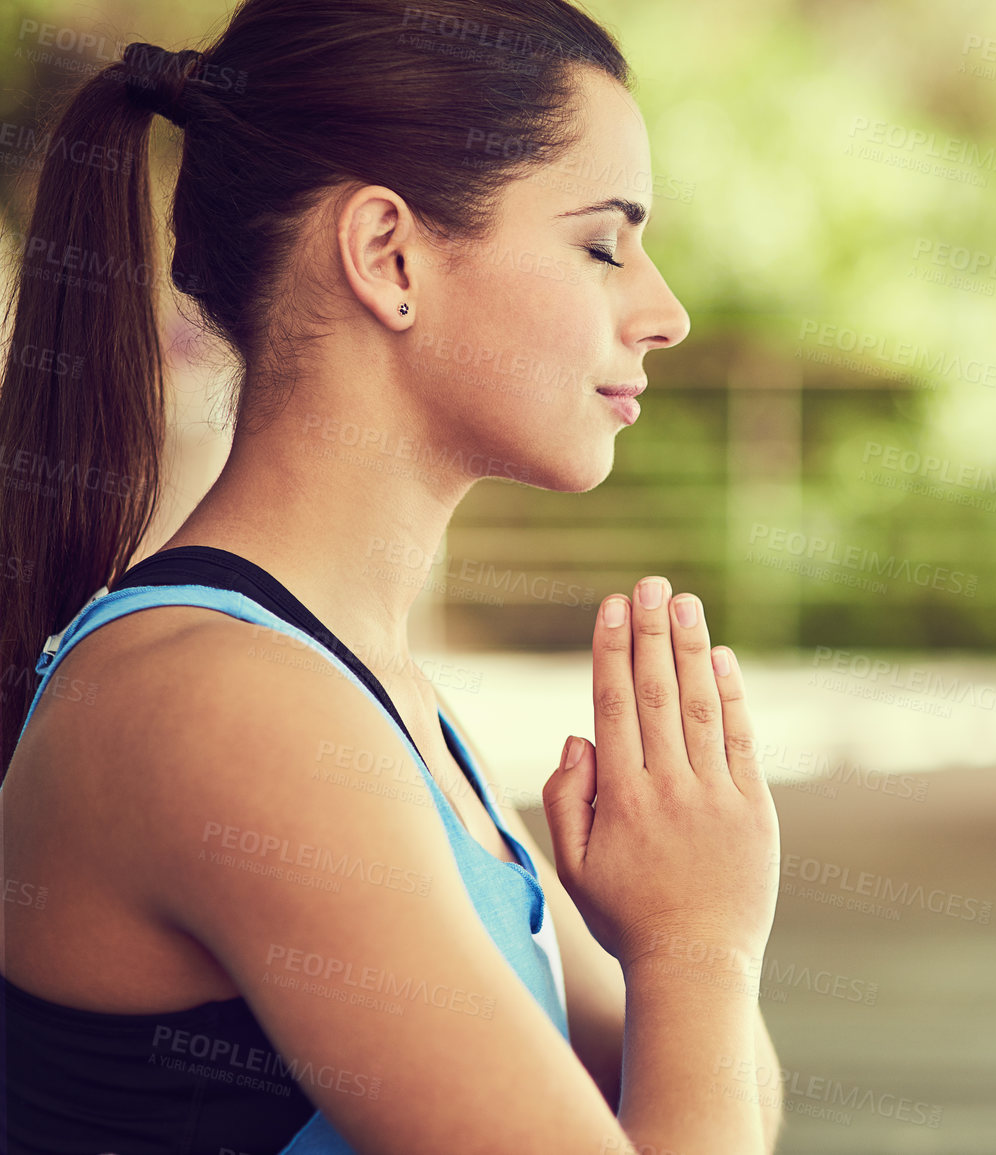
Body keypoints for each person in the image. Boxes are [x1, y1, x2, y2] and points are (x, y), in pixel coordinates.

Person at [0, 1, 784, 1152]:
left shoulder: (376, 694)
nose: (662, 314)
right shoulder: (233, 710)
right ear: (389, 256)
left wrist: (689, 929)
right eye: (603, 244)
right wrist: (699, 947)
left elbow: (693, 1086)